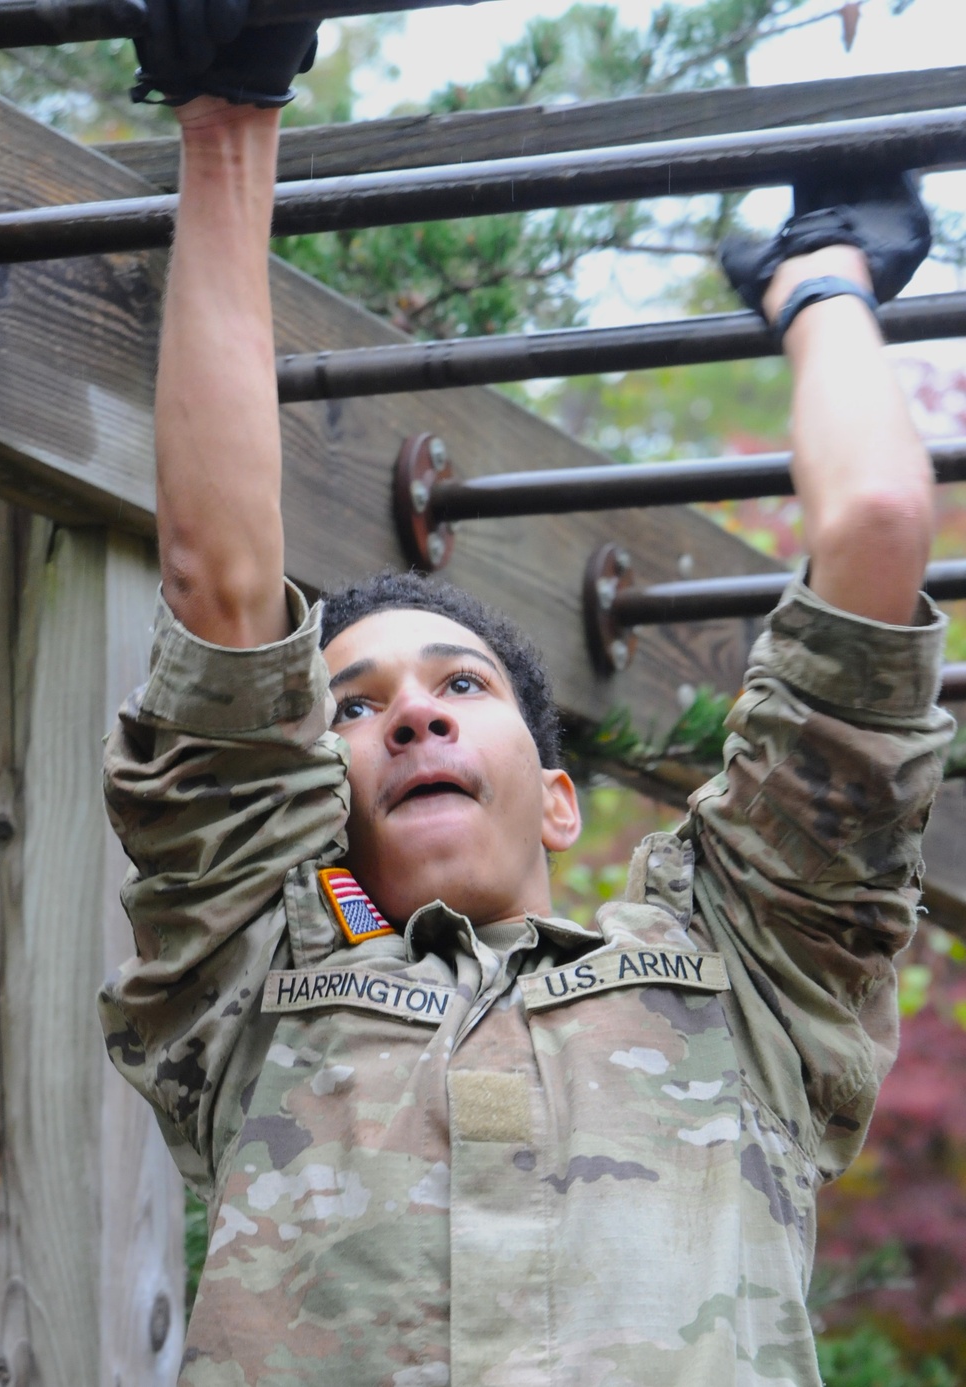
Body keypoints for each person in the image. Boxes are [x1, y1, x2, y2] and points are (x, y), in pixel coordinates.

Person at [98, 18, 953, 1386]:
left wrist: (824, 274)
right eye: (358, 707)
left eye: (461, 685)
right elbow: (218, 583)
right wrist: (227, 108)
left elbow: (881, 521)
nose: (415, 716)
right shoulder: (257, 984)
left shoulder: (748, 982)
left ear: (558, 792)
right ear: (315, 802)